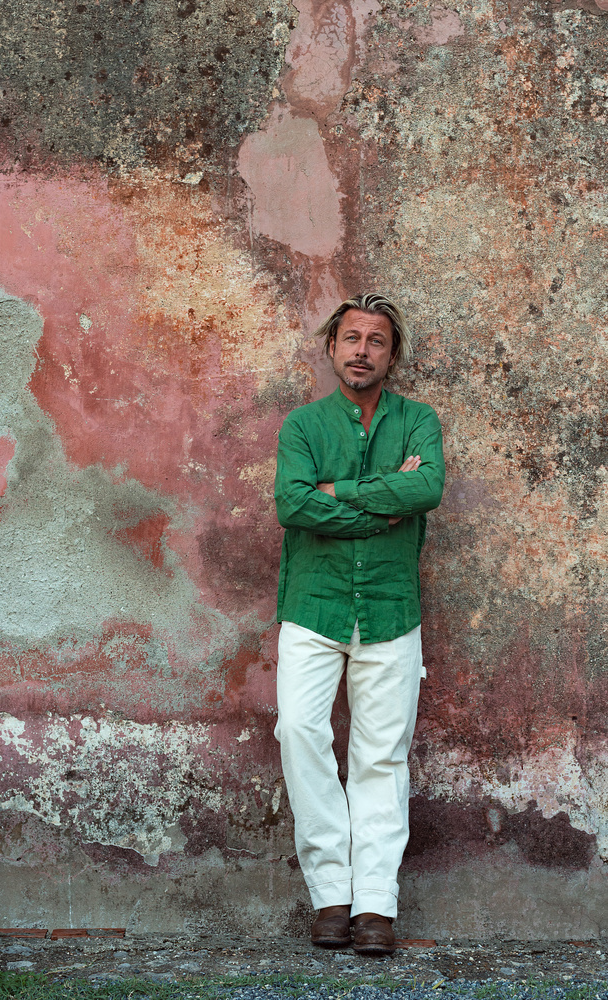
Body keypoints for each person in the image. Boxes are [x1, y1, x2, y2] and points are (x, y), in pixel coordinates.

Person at [274, 292, 445, 955]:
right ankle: (330, 895)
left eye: (375, 340)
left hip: (389, 608)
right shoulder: (302, 427)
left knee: (380, 755)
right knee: (298, 730)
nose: (360, 350)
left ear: (391, 354)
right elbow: (291, 505)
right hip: (312, 606)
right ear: (331, 347)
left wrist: (337, 493)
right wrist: (383, 501)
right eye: (350, 338)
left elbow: (425, 488)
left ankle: (373, 906)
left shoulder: (417, 421)